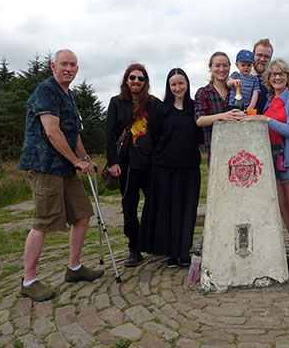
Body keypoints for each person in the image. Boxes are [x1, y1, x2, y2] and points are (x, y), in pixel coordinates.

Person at [18, 49, 103, 302]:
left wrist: (85, 159)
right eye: (64, 64)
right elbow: (53, 132)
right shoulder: (46, 91)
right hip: (45, 166)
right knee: (43, 222)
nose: (69, 68)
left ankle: (74, 268)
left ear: (77, 69)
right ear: (52, 66)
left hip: (66, 167)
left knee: (82, 214)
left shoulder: (69, 94)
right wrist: (76, 161)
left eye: (73, 65)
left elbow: (72, 131)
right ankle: (28, 280)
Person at [244, 58, 289, 279]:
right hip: (270, 158)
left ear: (288, 77)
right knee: (282, 207)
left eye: (281, 73)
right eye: (273, 74)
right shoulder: (269, 102)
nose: (277, 77)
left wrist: (264, 119)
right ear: (269, 79)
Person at [138, 68, 203, 267]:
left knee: (187, 211)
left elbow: (200, 137)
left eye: (181, 83)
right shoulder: (160, 109)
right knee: (169, 212)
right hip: (164, 168)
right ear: (168, 86)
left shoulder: (195, 108)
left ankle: (184, 252)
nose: (177, 88)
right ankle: (171, 254)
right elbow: (155, 137)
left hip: (189, 168)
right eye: (173, 84)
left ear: (187, 84)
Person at [105, 63, 160, 267]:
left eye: (141, 78)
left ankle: (154, 242)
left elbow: (164, 129)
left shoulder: (153, 104)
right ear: (126, 80)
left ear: (145, 82)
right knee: (129, 208)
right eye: (132, 77)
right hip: (127, 166)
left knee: (154, 205)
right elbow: (110, 134)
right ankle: (134, 248)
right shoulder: (117, 103)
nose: (136, 81)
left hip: (150, 164)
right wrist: (112, 162)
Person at [194, 52, 243, 162]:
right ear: (210, 68)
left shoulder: (236, 91)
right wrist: (222, 116)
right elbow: (200, 120)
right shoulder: (203, 92)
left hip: (238, 151)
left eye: (225, 65)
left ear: (230, 67)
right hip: (215, 153)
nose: (221, 69)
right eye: (217, 65)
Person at [251, 38, 274, 114]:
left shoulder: (274, 82)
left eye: (266, 57)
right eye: (259, 55)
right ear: (253, 55)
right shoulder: (240, 79)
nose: (262, 59)